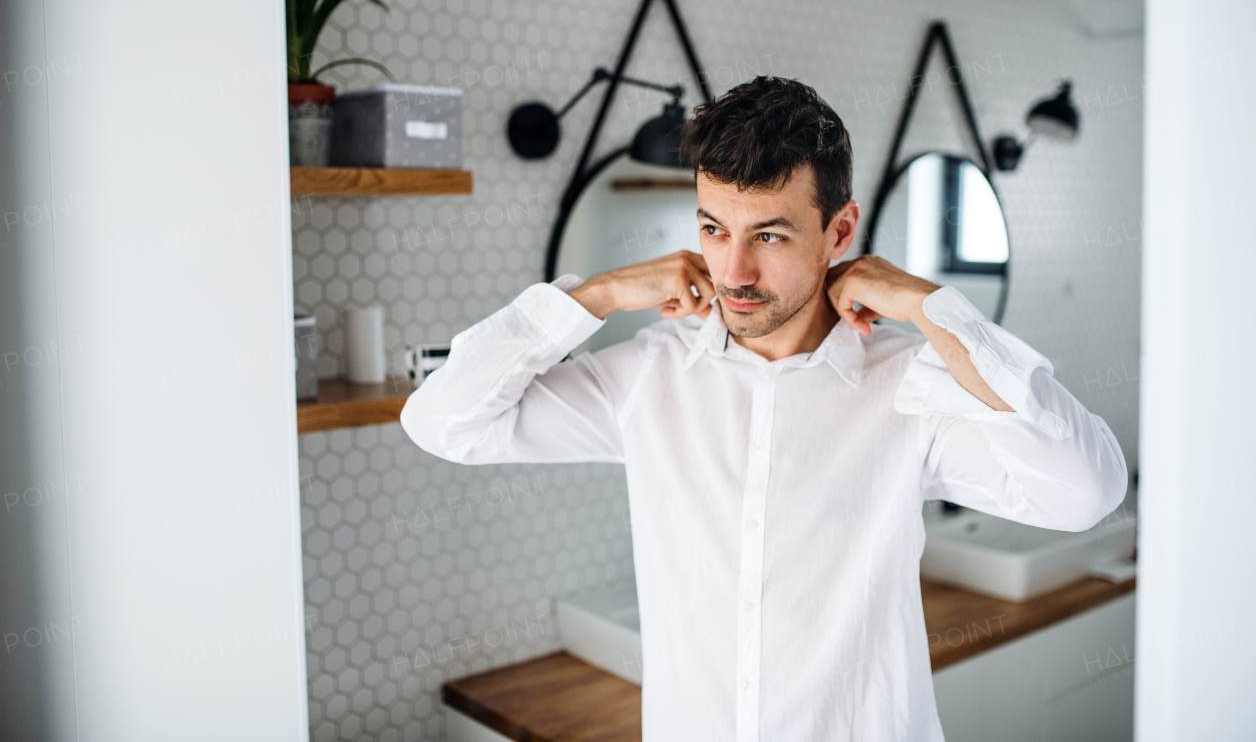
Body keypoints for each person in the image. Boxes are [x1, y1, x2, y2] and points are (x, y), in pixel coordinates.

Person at [401, 76, 1127, 741]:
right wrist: (596, 295)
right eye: (714, 228)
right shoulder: (648, 376)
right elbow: (443, 421)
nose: (734, 271)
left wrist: (931, 307)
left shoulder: (911, 387)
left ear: (840, 232)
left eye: (770, 235)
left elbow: (1085, 491)